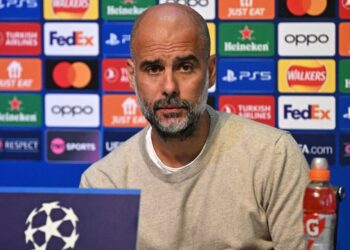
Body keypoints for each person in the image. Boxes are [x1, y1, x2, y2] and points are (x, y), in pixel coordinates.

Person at [80, 3, 309, 249]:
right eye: (154, 69)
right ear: (132, 76)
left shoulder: (272, 157)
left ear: (210, 72)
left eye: (185, 67)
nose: (169, 87)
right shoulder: (105, 183)